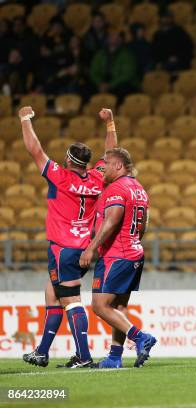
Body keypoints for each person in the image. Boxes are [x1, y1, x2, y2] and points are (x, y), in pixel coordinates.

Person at [21, 106, 118, 368]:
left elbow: (34, 150)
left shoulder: (59, 177)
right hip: (84, 249)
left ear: (67, 160)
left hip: (62, 248)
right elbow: (110, 154)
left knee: (71, 301)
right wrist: (110, 123)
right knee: (51, 294)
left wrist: (24, 120)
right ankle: (41, 352)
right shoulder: (97, 178)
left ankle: (84, 357)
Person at [79, 147, 155, 369]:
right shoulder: (139, 189)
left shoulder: (116, 188)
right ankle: (114, 356)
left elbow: (111, 221)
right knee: (119, 307)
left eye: (106, 165)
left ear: (119, 166)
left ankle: (140, 337)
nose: (101, 169)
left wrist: (91, 248)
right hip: (134, 252)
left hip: (116, 255)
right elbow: (143, 226)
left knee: (100, 306)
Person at [89, 31, 139, 100]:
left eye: (116, 37)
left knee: (124, 88)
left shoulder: (127, 55)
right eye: (111, 36)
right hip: (103, 82)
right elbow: (93, 71)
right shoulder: (100, 54)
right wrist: (100, 83)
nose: (113, 39)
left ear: (121, 40)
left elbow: (127, 74)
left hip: (118, 83)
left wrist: (110, 85)